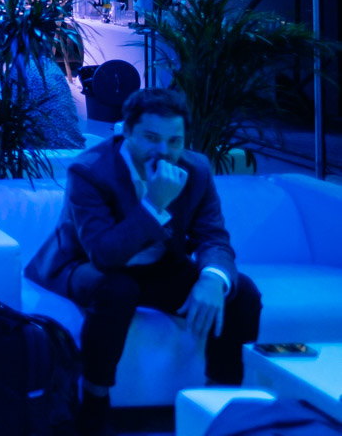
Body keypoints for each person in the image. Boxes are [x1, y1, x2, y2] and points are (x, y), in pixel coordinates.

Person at [25, 89, 262, 436]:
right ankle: (94, 405)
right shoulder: (90, 171)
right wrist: (153, 204)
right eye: (151, 138)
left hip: (158, 265)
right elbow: (102, 254)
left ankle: (219, 406)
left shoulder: (196, 169)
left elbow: (213, 237)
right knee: (117, 289)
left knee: (242, 293)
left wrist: (212, 278)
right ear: (127, 132)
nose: (163, 151)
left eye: (174, 141)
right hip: (83, 265)